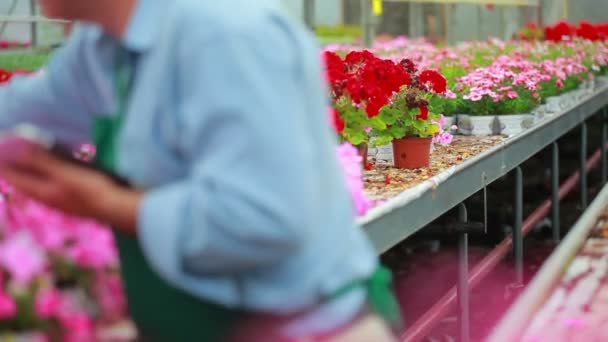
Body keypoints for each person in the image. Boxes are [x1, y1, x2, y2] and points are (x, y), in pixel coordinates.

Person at [0, 0, 402, 341]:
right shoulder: (103, 48)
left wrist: (104, 201)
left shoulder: (225, 32)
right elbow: (18, 112)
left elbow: (265, 218)